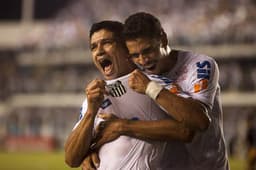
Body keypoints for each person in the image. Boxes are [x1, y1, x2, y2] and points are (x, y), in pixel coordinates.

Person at [65, 20, 195, 170]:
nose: (99, 51)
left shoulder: (154, 84)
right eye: (93, 47)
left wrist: (122, 126)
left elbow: (188, 129)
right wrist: (90, 113)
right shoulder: (93, 98)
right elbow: (71, 159)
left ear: (126, 49)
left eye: (107, 43)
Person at [122, 12, 229, 170]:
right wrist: (91, 152)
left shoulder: (200, 65)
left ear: (163, 39)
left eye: (148, 51)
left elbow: (199, 121)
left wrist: (150, 88)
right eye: (135, 55)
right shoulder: (137, 79)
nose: (143, 61)